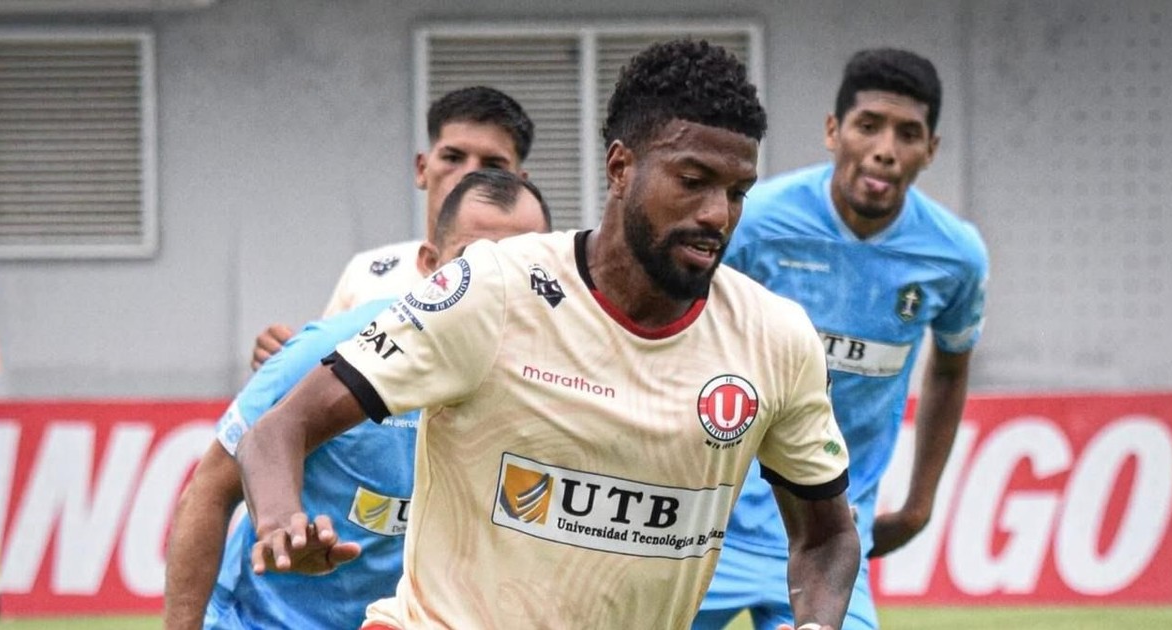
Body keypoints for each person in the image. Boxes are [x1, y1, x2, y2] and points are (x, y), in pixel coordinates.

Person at [236, 39, 860, 630]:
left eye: (737, 192)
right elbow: (277, 429)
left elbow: (827, 536)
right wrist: (281, 520)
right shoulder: (493, 289)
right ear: (620, 167)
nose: (717, 215)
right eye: (692, 182)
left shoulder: (776, 339)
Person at [162, 169, 552, 630]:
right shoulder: (334, 346)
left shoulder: (555, 385)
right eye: (472, 264)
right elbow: (208, 490)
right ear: (429, 265)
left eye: (518, 266)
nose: (496, 288)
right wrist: (280, 524)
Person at [695, 48, 989, 630]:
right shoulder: (756, 223)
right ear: (834, 131)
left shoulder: (954, 257)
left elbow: (951, 367)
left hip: (828, 538)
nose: (885, 149)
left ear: (930, 150)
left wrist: (919, 505)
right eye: (868, 125)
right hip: (710, 526)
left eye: (908, 133)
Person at [250, 86, 535, 370]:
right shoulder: (366, 272)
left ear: (520, 185)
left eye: (493, 165)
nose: (470, 174)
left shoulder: (541, 284)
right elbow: (320, 372)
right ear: (422, 169)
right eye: (453, 157)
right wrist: (281, 361)